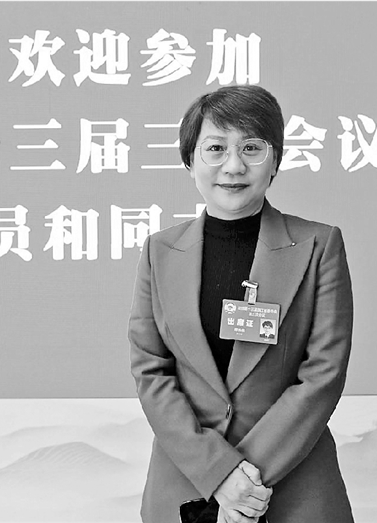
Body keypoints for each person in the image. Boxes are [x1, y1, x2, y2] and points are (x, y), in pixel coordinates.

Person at [129, 85, 354, 523]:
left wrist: (242, 480)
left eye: (251, 147)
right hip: (186, 487)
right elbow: (150, 371)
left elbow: (323, 374)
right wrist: (216, 472)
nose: (233, 166)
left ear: (275, 160)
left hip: (296, 487)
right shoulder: (160, 251)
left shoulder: (318, 245)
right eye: (216, 148)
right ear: (190, 160)